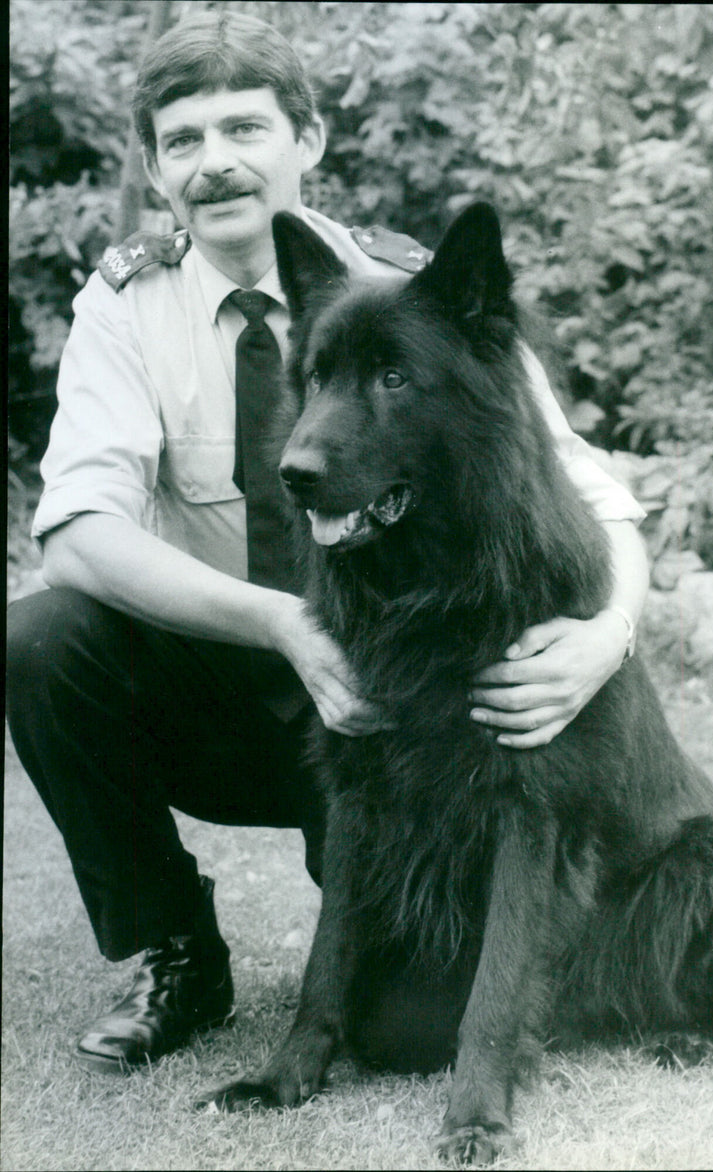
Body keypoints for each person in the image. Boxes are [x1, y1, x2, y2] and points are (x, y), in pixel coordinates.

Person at [5, 10, 649, 1074]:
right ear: (157, 170)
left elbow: (593, 494)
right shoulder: (127, 306)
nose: (214, 164)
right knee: (39, 638)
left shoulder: (419, 297)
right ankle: (174, 949)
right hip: (227, 690)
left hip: (397, 726)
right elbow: (77, 532)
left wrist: (606, 633)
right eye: (183, 140)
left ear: (307, 140)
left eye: (243, 129)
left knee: (405, 1037)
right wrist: (285, 625)